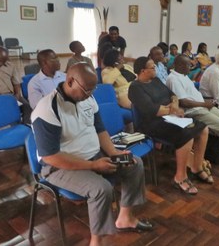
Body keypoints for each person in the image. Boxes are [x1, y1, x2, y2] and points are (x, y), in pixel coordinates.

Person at [32, 63, 152, 246]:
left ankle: (125, 218)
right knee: (100, 188)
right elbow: (50, 156)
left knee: (134, 163)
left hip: (95, 156)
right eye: (87, 89)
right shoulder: (47, 109)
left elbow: (100, 129)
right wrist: (93, 166)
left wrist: (113, 152)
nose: (90, 93)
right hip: (59, 167)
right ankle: (96, 242)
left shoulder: (87, 98)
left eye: (93, 89)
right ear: (70, 81)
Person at [129, 57, 211, 195]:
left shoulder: (155, 80)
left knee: (203, 128)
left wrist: (173, 104)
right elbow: (152, 110)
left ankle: (197, 167)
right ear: (143, 71)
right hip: (152, 124)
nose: (155, 68)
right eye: (152, 67)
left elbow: (173, 95)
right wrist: (173, 110)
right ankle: (180, 177)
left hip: (170, 118)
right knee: (187, 135)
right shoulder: (135, 88)